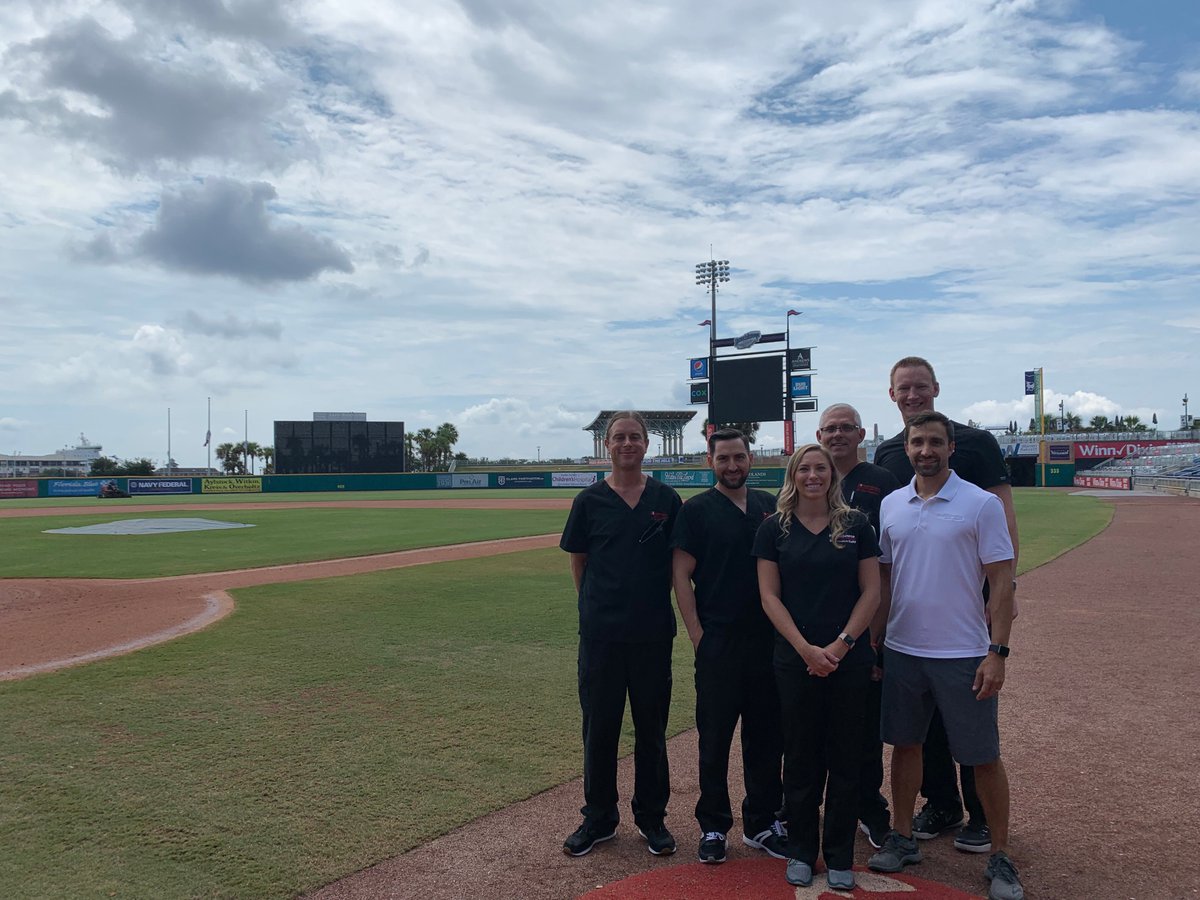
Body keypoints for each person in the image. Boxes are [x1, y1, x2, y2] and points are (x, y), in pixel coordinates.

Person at [868, 412, 1023, 900]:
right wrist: (875, 644)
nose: (925, 450)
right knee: (906, 746)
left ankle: (1000, 855)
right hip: (903, 649)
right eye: (918, 442)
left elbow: (1000, 582)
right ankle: (903, 835)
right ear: (908, 447)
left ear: (951, 447)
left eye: (935, 442)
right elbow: (887, 582)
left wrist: (997, 652)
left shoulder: (980, 505)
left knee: (982, 757)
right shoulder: (892, 505)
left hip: (963, 652)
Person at [753, 443, 881, 892]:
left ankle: (841, 854)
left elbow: (871, 591)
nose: (813, 475)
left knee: (846, 759)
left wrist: (841, 646)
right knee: (802, 758)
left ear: (832, 474)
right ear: (793, 474)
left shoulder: (857, 524)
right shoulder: (775, 529)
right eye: (804, 468)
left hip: (847, 661)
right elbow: (769, 597)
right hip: (795, 661)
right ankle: (803, 851)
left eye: (820, 468)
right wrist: (806, 649)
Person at [559, 411, 683, 858]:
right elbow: (579, 561)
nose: (627, 443)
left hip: (651, 634)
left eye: (635, 437)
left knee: (651, 730)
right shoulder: (589, 501)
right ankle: (599, 818)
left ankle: (652, 818)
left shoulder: (666, 499)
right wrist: (595, 606)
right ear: (607, 445)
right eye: (619, 437)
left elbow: (675, 567)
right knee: (600, 729)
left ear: (647, 444)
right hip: (601, 635)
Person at [671, 428, 787, 865]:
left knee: (766, 738)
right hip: (719, 642)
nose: (732, 465)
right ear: (710, 461)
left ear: (750, 459)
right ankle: (714, 825)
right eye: (724, 459)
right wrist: (698, 635)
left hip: (767, 642)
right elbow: (681, 575)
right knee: (715, 739)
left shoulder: (768, 505)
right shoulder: (696, 511)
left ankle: (761, 822)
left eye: (739, 457)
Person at [815, 403, 900, 851]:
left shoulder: (883, 482)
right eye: (831, 428)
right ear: (819, 434)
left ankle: (870, 808)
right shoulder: (809, 480)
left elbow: (892, 563)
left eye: (847, 427)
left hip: (867, 626)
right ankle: (804, 811)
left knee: (863, 729)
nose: (839, 434)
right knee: (811, 728)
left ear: (861, 433)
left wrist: (877, 627)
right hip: (815, 628)